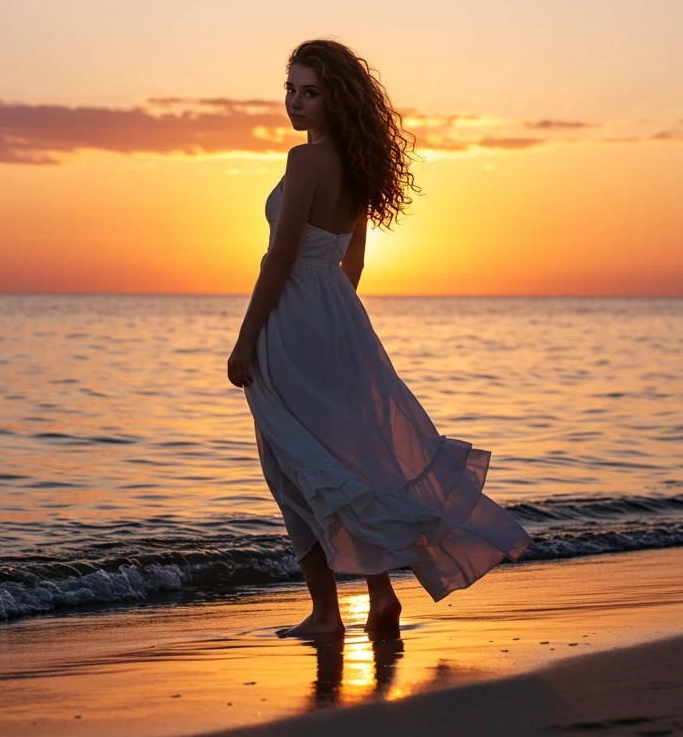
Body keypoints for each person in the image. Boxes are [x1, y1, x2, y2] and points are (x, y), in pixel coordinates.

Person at [227, 39, 532, 639]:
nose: (295, 102)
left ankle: (326, 613)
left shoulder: (304, 161)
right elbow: (354, 267)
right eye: (290, 89)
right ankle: (381, 597)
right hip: (339, 319)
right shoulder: (359, 167)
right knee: (345, 458)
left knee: (289, 465)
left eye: (310, 92)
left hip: (292, 320)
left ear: (336, 99)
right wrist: (338, 328)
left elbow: (280, 257)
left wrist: (247, 340)